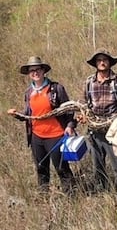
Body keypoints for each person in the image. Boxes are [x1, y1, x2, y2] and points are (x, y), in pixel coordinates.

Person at [7, 56, 76, 196]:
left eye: (37, 69)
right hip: (36, 137)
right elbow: (29, 114)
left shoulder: (56, 88)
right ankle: (44, 197)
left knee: (61, 167)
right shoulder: (29, 93)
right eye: (31, 70)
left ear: (43, 70)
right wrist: (17, 115)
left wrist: (70, 126)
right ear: (28, 74)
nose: (35, 72)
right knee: (41, 168)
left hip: (56, 135)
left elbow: (69, 109)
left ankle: (72, 196)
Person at [81, 48, 117, 211]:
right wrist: (82, 115)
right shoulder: (89, 82)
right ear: (95, 64)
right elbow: (84, 104)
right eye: (99, 60)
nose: (102, 62)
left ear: (110, 62)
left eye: (105, 59)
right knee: (98, 168)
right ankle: (102, 201)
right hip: (94, 131)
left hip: (115, 131)